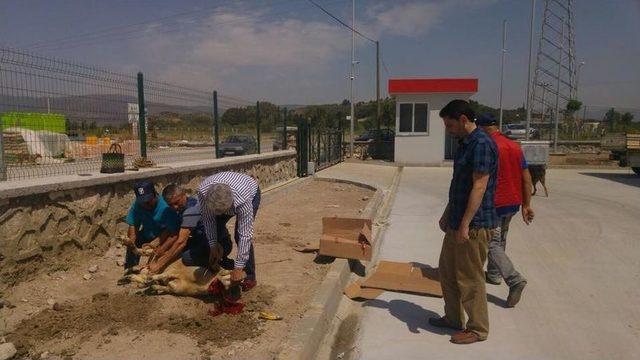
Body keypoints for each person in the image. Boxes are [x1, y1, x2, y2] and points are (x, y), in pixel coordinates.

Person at [429, 100, 498, 345]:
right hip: (457, 221)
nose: (448, 130)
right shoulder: (465, 145)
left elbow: (479, 186)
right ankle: (453, 318)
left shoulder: (481, 144)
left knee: (470, 278)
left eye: (450, 125)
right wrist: (448, 215)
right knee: (447, 272)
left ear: (463, 120)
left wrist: (465, 225)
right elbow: (460, 186)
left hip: (475, 225)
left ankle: (478, 329)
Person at [477, 113, 534, 307]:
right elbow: (526, 177)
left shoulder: (488, 146)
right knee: (501, 238)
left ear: (483, 128)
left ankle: (514, 279)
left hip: (494, 202)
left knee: (491, 243)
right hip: (513, 202)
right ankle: (494, 275)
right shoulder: (515, 147)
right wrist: (527, 204)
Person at [198, 171, 261, 292]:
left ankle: (250, 276)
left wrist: (238, 268)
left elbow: (245, 234)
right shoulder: (203, 192)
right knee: (216, 227)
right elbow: (208, 220)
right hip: (224, 194)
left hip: (250, 191)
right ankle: (223, 262)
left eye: (223, 211)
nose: (221, 214)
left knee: (239, 235)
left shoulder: (242, 198)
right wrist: (212, 246)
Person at [123, 180, 179, 270]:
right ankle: (130, 269)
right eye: (142, 201)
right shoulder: (138, 205)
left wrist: (154, 243)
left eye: (148, 201)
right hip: (147, 234)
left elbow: (171, 231)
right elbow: (133, 224)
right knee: (133, 242)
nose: (145, 204)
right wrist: (131, 241)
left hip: (163, 238)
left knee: (153, 267)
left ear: (155, 194)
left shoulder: (166, 207)